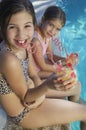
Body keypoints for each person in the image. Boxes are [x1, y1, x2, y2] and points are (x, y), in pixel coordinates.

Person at [0, 0, 86, 129]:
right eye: (12, 27)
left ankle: (69, 118)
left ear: (34, 24)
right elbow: (27, 98)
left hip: (31, 94)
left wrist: (39, 89)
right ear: (2, 27)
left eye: (27, 26)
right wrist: (46, 86)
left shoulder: (24, 46)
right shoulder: (9, 58)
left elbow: (33, 74)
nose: (21, 34)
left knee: (77, 95)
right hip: (24, 114)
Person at [32, 5, 81, 102]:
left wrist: (65, 60)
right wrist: (61, 69)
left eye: (58, 29)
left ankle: (72, 103)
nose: (53, 31)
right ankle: (72, 105)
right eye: (51, 25)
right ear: (43, 19)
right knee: (69, 79)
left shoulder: (47, 36)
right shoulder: (36, 40)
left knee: (69, 73)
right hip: (35, 72)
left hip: (39, 68)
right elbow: (43, 66)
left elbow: (50, 54)